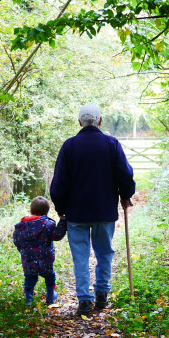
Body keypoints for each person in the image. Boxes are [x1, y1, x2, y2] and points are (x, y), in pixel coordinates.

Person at [50, 104, 135, 316]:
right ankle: (102, 295)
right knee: (104, 252)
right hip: (104, 211)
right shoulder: (111, 144)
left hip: (76, 213)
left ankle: (85, 301)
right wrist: (126, 194)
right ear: (100, 121)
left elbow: (59, 183)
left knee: (80, 256)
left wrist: (61, 209)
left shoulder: (69, 146)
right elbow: (124, 174)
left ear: (79, 122)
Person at [13, 196, 68, 305]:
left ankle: (29, 301)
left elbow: (16, 241)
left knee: (29, 280)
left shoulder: (21, 226)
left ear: (31, 211)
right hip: (45, 260)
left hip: (28, 261)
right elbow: (57, 236)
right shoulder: (48, 224)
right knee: (50, 277)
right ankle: (50, 297)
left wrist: (24, 252)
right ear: (47, 212)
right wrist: (62, 222)